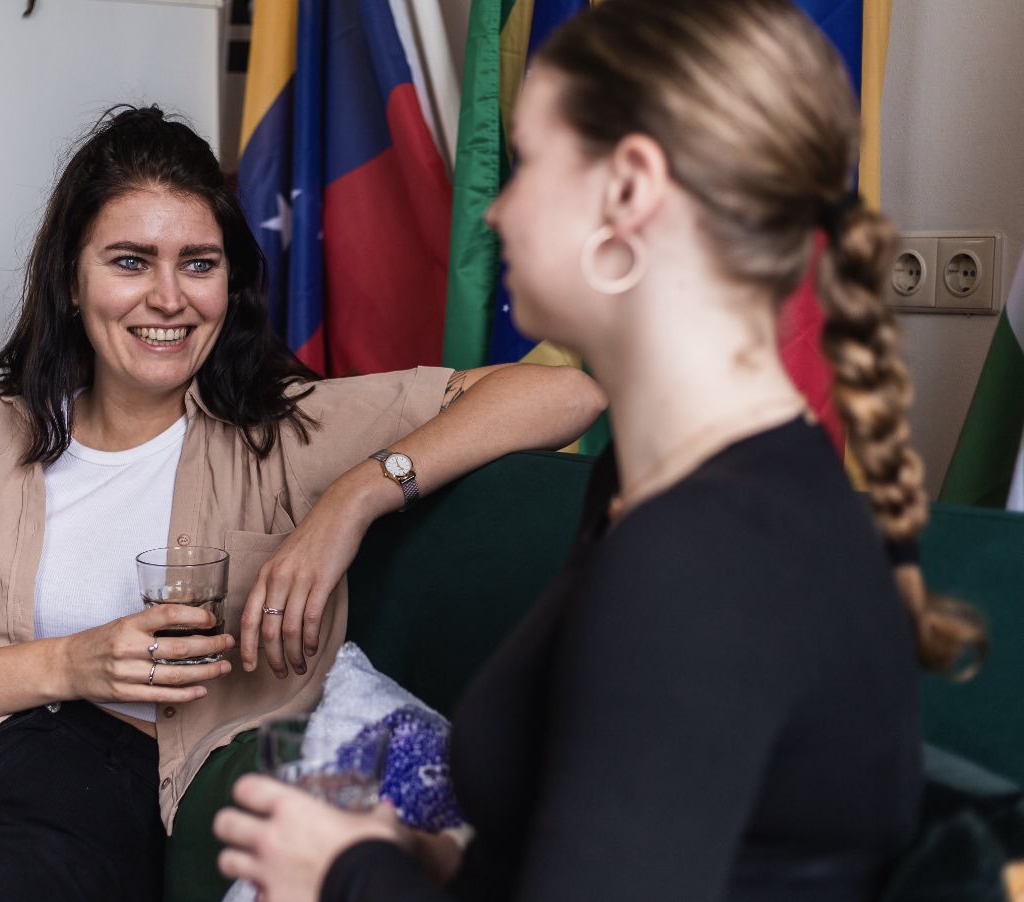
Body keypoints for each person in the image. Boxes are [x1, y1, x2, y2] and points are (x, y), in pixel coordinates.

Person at [0, 107, 604, 901]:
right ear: (72, 283)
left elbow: (569, 391)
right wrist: (71, 662)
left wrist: (355, 497)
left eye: (198, 263)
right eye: (129, 261)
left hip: (91, 801)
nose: (168, 298)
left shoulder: (289, 428)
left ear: (230, 283)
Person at [212, 2, 988, 900]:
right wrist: (444, 867)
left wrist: (348, 874)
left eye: (529, 164)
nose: (495, 210)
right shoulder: (649, 488)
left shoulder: (705, 555)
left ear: (629, 193)